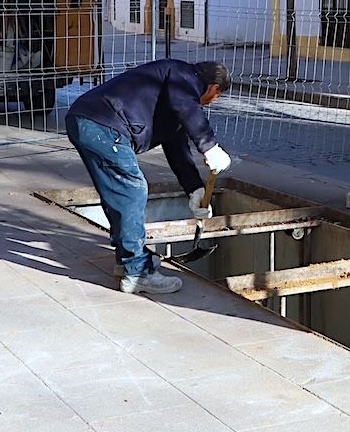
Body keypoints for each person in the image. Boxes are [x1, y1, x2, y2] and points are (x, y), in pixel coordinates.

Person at [64, 59, 232, 296]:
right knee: (132, 190)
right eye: (217, 97)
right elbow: (188, 107)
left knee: (117, 193)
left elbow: (177, 148)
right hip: (103, 124)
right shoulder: (184, 77)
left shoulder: (175, 93)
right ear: (214, 88)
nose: (211, 102)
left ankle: (127, 260)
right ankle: (137, 273)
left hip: (87, 120)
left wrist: (195, 189)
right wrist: (209, 146)